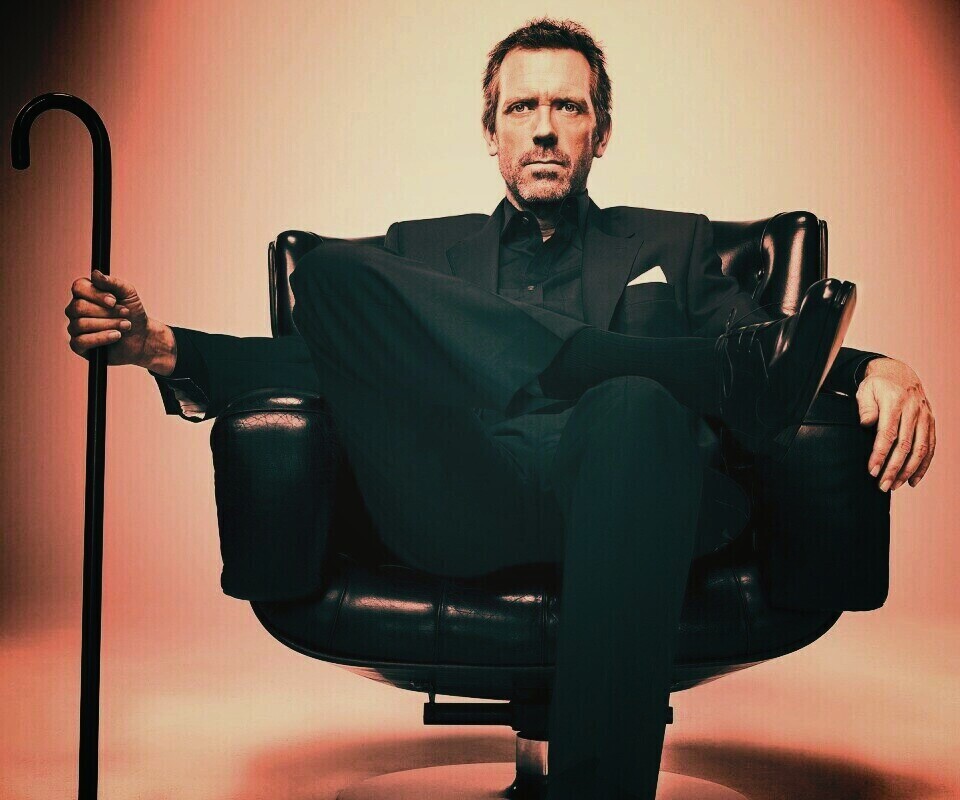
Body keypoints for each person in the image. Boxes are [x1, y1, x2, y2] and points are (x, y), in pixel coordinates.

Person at [64, 17, 935, 799]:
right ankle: (619, 365)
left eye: (568, 107)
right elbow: (321, 365)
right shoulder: (419, 255)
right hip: (463, 492)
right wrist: (162, 348)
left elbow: (773, 356)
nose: (544, 128)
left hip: (633, 487)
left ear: (600, 131)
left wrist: (876, 367)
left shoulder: (674, 241)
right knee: (326, 271)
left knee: (633, 403)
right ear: (491, 132)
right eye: (522, 108)